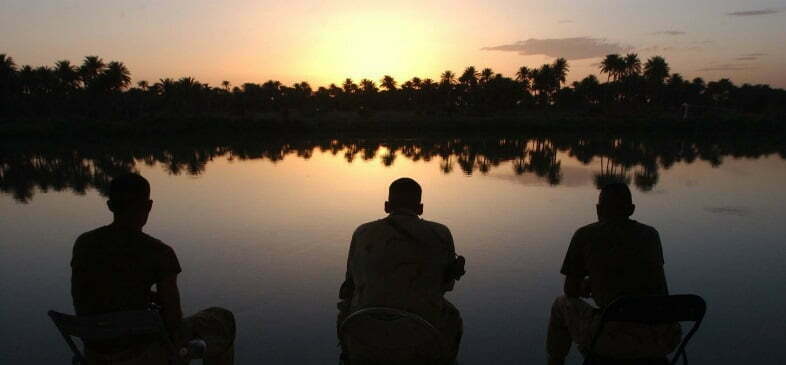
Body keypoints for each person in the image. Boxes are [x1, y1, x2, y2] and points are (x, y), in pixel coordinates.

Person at [70, 173, 236, 365]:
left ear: (110, 205)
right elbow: (174, 321)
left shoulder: (84, 244)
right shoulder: (159, 253)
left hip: (94, 352)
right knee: (222, 320)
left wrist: (143, 296)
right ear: (149, 206)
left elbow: (86, 296)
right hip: (142, 354)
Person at [545, 183, 682, 365]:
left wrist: (588, 286)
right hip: (662, 338)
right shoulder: (650, 235)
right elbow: (643, 280)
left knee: (560, 304)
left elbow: (570, 289)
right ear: (631, 209)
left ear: (598, 209)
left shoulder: (585, 235)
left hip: (612, 339)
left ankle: (555, 361)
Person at [337, 178, 466, 364]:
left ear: (387, 206)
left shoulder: (362, 232)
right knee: (453, 317)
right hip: (422, 337)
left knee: (345, 307)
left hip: (363, 335)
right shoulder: (440, 233)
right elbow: (446, 286)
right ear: (420, 208)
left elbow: (350, 286)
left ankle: (347, 356)